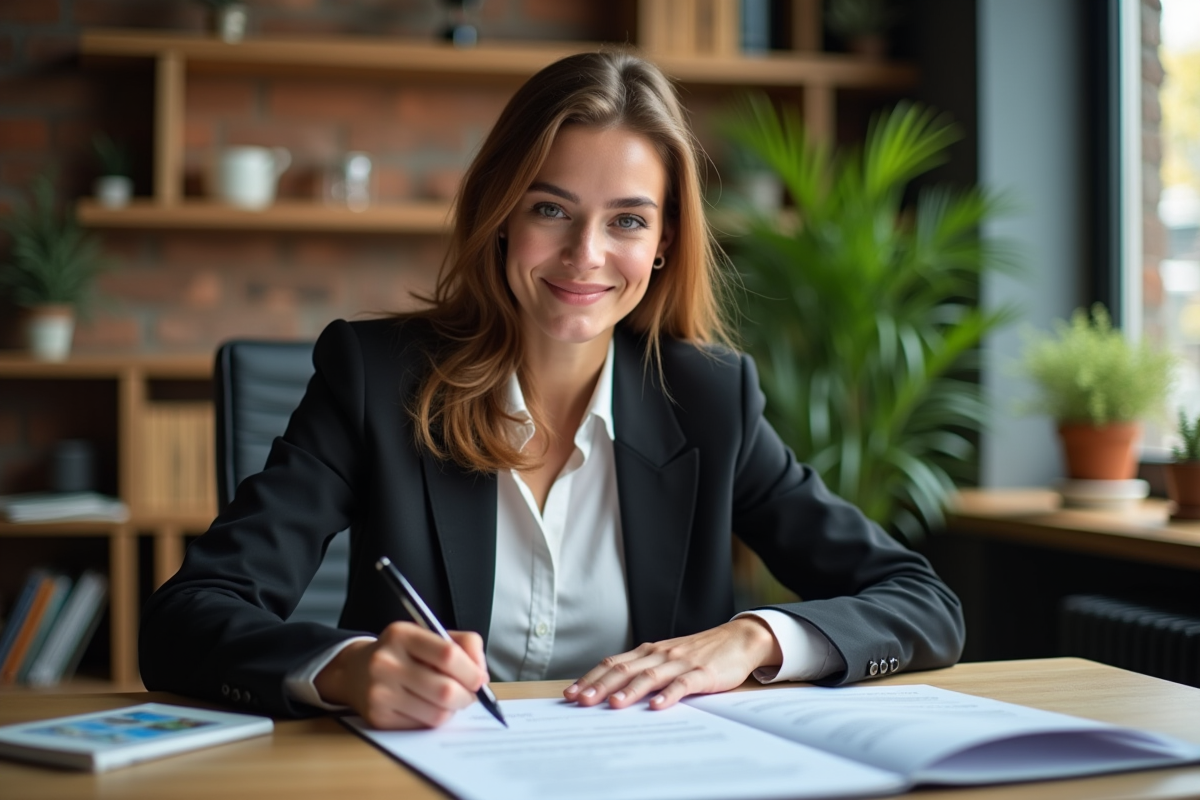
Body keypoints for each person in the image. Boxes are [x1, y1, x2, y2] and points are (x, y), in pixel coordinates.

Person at [139, 51, 965, 729]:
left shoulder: (711, 402)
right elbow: (186, 617)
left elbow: (922, 604)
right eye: (551, 209)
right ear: (501, 213)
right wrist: (349, 669)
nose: (586, 256)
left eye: (628, 220)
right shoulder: (375, 378)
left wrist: (754, 639)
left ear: (666, 240)